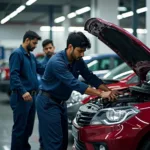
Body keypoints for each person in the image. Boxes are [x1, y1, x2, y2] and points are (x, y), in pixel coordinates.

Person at [36, 32, 119, 150]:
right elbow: (74, 84)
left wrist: (109, 91)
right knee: (54, 143)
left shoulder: (77, 61)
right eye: (80, 51)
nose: (82, 54)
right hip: (48, 103)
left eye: (84, 51)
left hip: (60, 103)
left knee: (63, 142)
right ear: (70, 47)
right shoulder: (57, 62)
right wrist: (101, 93)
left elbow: (90, 77)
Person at [9, 30, 45, 150]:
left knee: (28, 129)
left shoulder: (31, 56)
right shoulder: (17, 54)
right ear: (27, 40)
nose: (35, 46)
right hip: (21, 97)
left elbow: (41, 69)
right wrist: (23, 91)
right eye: (34, 43)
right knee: (20, 129)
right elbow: (14, 75)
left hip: (32, 97)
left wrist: (55, 63)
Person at [39, 39, 55, 150]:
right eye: (46, 49)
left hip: (58, 98)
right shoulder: (42, 65)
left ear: (53, 48)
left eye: (50, 48)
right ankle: (43, 146)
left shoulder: (59, 60)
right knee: (44, 125)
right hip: (46, 97)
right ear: (43, 50)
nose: (48, 50)